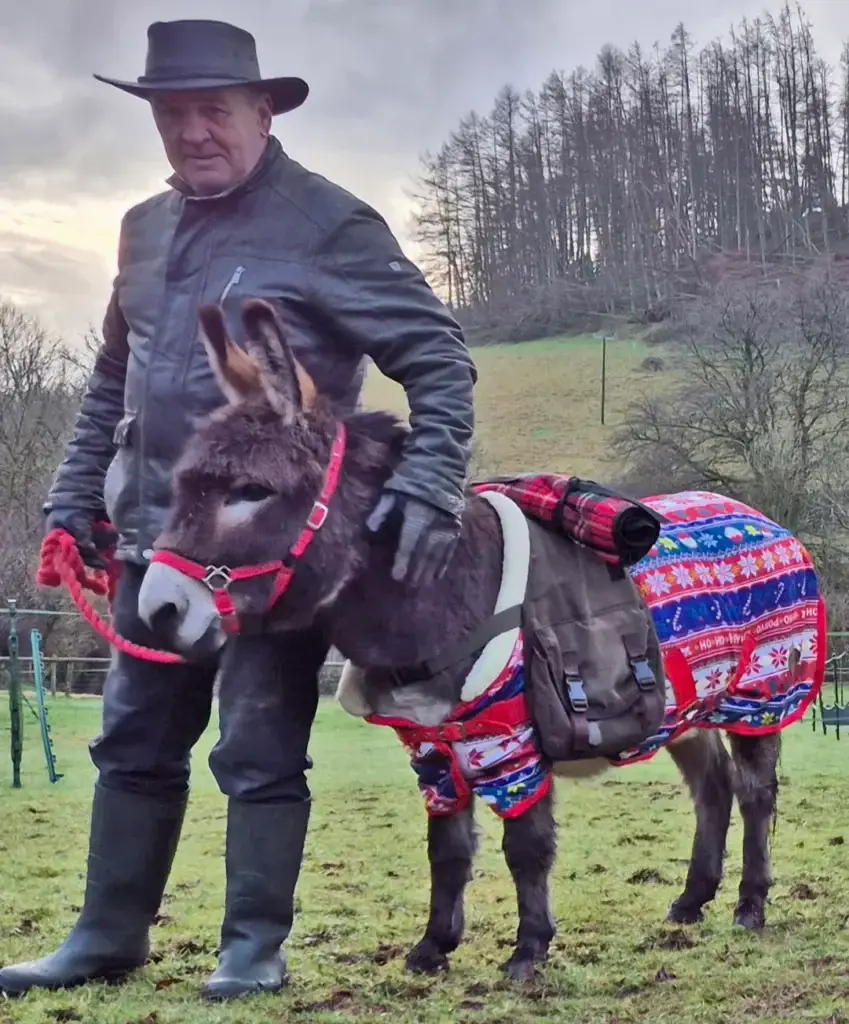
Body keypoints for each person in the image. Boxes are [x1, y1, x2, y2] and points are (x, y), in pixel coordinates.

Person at [0, 19, 476, 1003]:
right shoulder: (141, 229)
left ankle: (252, 948)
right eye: (172, 114)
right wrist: (72, 498)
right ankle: (106, 934)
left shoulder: (330, 226)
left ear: (263, 111)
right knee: (133, 740)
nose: (192, 133)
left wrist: (428, 482)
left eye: (213, 110)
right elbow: (112, 382)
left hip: (269, 557)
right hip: (153, 541)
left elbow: (439, 360)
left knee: (257, 749)